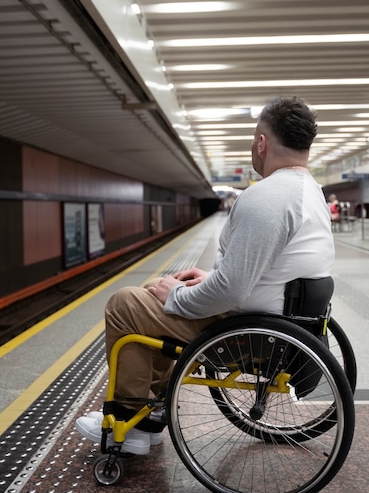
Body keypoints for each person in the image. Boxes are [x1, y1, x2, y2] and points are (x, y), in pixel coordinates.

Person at [75, 95, 335, 454]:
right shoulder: (311, 192)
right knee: (153, 291)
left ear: (261, 142)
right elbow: (266, 269)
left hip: (249, 331)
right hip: (283, 323)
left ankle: (131, 419)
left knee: (125, 304)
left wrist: (179, 297)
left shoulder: (268, 197)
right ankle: (152, 410)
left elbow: (232, 290)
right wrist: (208, 277)